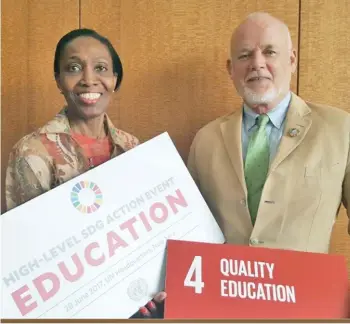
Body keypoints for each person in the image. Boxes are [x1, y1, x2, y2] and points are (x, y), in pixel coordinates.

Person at [143, 11, 350, 318]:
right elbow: (187, 233)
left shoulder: (340, 129)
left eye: (269, 52)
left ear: (291, 60)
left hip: (308, 311)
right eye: (244, 55)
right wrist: (166, 285)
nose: (257, 63)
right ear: (231, 69)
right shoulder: (206, 140)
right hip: (221, 311)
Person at [5, 28, 139, 211]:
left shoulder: (133, 146)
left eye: (100, 68)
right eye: (74, 68)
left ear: (114, 80)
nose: (89, 80)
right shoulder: (32, 151)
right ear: (59, 81)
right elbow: (30, 234)